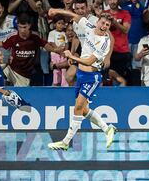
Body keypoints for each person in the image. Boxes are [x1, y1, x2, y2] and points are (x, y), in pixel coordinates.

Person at [46, 8, 116, 150]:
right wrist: (55, 11)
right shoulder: (89, 27)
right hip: (81, 75)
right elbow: (75, 15)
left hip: (92, 77)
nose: (104, 26)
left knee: (78, 107)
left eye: (107, 25)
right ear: (97, 22)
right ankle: (107, 129)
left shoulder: (104, 42)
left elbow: (89, 61)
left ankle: (65, 142)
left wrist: (71, 57)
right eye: (103, 23)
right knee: (83, 110)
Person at [0, 13, 64, 86]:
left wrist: (55, 50)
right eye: (20, 27)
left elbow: (45, 45)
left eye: (24, 27)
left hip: (24, 75)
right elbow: (1, 43)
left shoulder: (35, 37)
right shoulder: (13, 37)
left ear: (29, 25)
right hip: (12, 69)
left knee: (19, 98)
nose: (22, 30)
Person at [0, 0, 18, 64]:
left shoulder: (12, 19)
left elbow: (24, 33)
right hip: (4, 57)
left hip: (17, 55)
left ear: (3, 8)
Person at [48, 15, 68, 86]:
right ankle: (56, 83)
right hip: (55, 54)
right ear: (54, 24)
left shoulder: (64, 33)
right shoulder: (52, 33)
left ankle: (64, 84)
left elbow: (66, 43)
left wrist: (65, 51)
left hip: (63, 54)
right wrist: (59, 51)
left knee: (63, 69)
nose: (61, 25)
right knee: (56, 69)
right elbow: (51, 43)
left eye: (62, 24)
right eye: (59, 23)